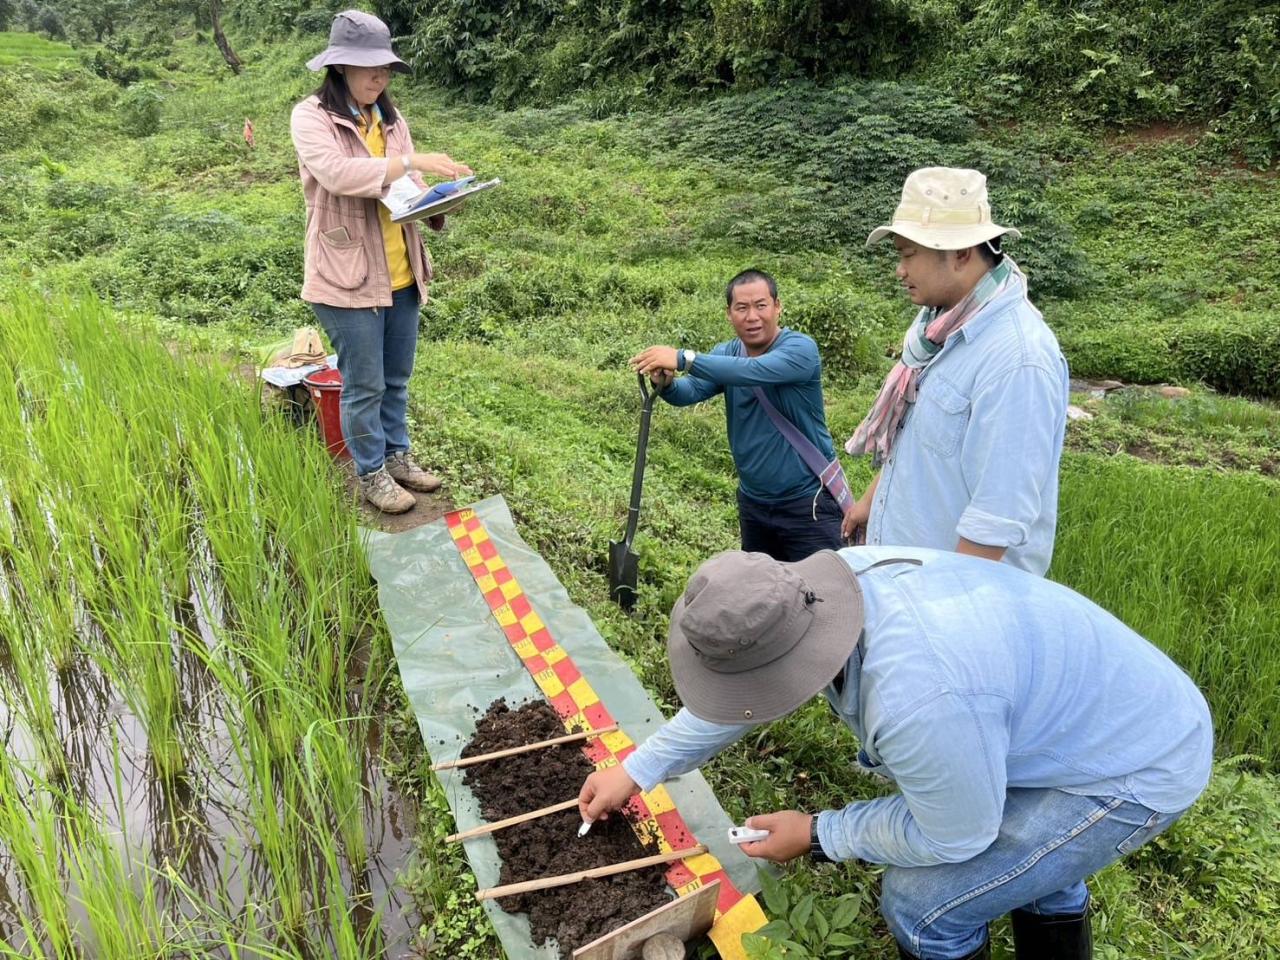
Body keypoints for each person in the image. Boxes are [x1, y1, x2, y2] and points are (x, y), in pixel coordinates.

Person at [579, 547, 1213, 960]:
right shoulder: (820, 592)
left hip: (1132, 767)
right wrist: (637, 770)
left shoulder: (918, 701)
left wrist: (820, 832)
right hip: (1072, 712)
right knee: (1022, 864)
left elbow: (958, 836)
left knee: (922, 902)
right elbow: (751, 687)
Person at [843, 168, 1069, 575]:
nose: (900, 269)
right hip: (905, 579)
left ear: (962, 253)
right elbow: (921, 440)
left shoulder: (1016, 360)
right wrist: (872, 502)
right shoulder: (939, 328)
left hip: (947, 607)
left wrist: (944, 617)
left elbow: (994, 523)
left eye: (908, 254)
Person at [290, 10, 472, 513]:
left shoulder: (391, 121)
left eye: (385, 68)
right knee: (364, 384)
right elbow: (339, 174)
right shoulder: (311, 117)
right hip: (345, 278)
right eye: (368, 67)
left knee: (396, 379)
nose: (379, 77)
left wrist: (441, 199)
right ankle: (369, 473)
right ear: (340, 66)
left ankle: (397, 457)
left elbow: (405, 193)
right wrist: (414, 162)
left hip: (401, 272)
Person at [630, 270, 847, 561]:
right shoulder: (728, 352)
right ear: (729, 313)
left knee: (820, 594)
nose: (752, 316)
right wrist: (665, 383)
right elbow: (690, 391)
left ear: (777, 306)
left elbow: (752, 371)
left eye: (761, 305)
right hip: (754, 504)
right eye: (741, 308)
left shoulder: (800, 349)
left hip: (809, 504)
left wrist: (683, 358)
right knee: (762, 592)